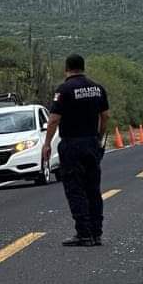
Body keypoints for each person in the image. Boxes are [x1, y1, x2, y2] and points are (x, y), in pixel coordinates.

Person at [43, 54, 110, 247]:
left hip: (72, 143)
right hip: (91, 142)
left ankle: (83, 233)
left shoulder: (64, 90)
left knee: (75, 189)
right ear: (83, 67)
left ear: (67, 69)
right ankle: (96, 233)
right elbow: (105, 116)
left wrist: (47, 143)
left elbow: (54, 119)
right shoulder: (98, 89)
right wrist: (98, 137)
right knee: (93, 189)